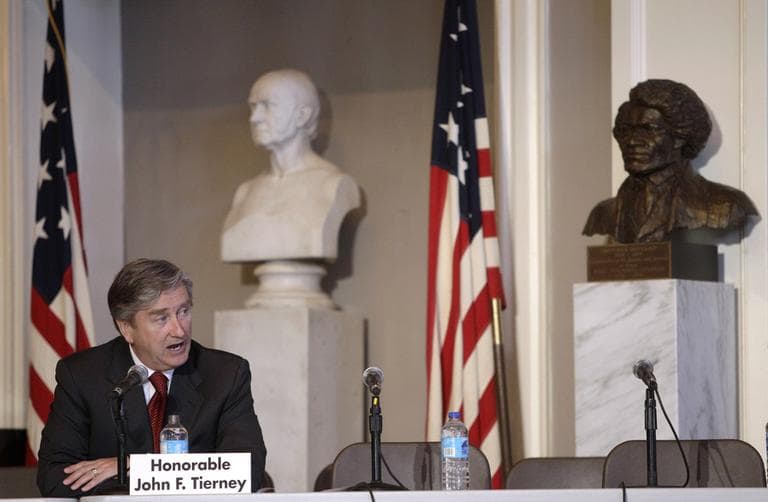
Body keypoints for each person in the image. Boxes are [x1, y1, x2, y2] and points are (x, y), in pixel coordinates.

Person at [36, 259, 267, 496]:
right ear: (126, 328)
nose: (179, 330)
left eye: (184, 311)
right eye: (161, 318)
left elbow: (247, 470)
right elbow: (54, 477)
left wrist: (134, 467)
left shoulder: (225, 374)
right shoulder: (82, 376)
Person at [583, 79, 758, 243]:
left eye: (648, 129)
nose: (632, 141)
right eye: (626, 130)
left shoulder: (725, 205)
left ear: (680, 136)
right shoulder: (603, 213)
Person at [221, 68, 360, 262]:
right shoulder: (245, 192)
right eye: (253, 107)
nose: (254, 118)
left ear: (302, 115)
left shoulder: (333, 186)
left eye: (267, 106)